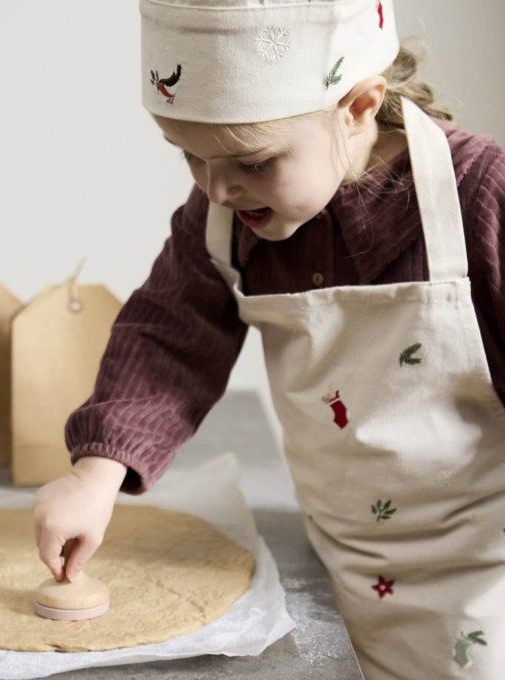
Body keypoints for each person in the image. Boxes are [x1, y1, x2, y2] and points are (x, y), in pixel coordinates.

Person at [33, 0, 505, 675]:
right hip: (337, 554)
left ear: (360, 106)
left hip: (485, 574)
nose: (218, 188)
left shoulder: (481, 197)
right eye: (188, 155)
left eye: (252, 162)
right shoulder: (226, 221)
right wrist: (94, 475)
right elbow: (170, 340)